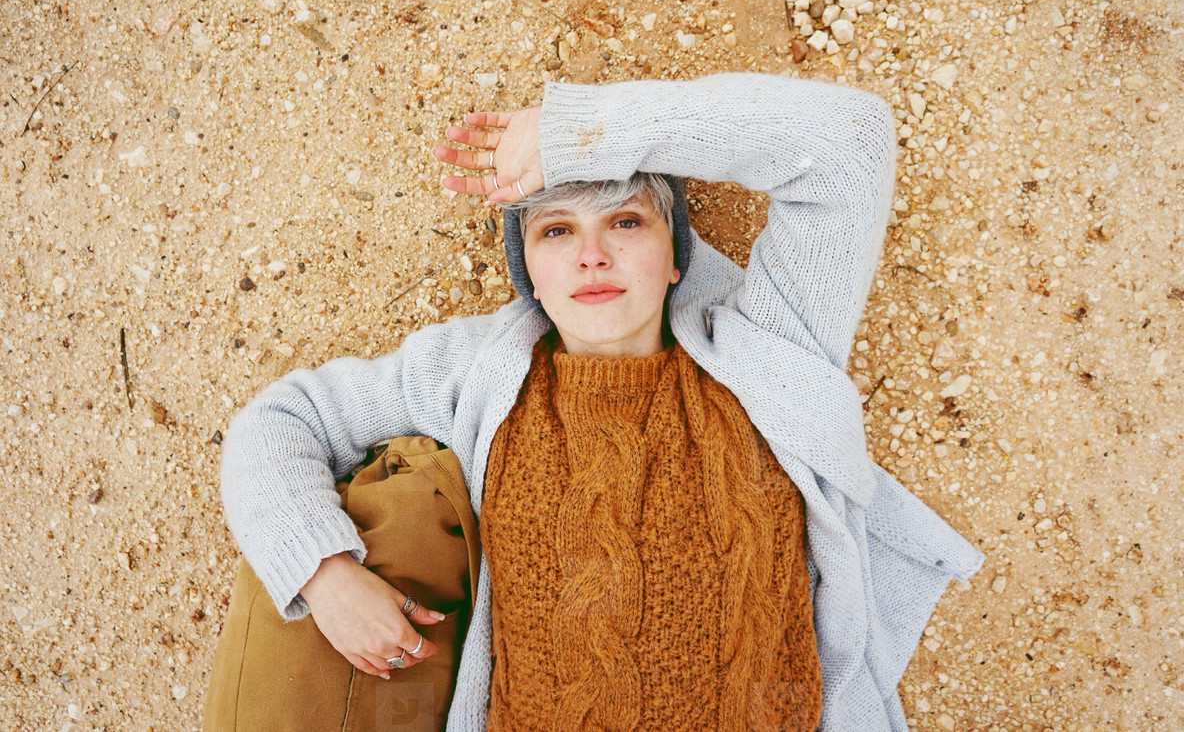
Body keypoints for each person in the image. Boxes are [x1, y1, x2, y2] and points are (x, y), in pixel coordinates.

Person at [219, 72, 983, 730]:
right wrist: (321, 571)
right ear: (532, 274)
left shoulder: (770, 348)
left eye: (625, 220)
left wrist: (577, 137)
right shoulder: (479, 371)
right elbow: (280, 422)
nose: (592, 254)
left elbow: (849, 140)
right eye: (556, 230)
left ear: (677, 256)